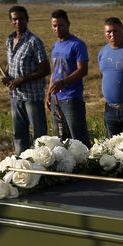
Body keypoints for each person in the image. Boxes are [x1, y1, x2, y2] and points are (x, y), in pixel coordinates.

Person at [2, 5, 50, 154]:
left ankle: (42, 166)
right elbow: (11, 63)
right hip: (16, 96)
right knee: (19, 134)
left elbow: (45, 69)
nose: (18, 22)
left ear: (27, 20)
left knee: (39, 135)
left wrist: (22, 79)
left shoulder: (34, 41)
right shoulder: (9, 40)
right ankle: (22, 165)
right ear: (11, 21)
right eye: (15, 19)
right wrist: (7, 76)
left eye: (21, 19)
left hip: (32, 96)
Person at [45, 9, 90, 145]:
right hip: (56, 99)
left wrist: (63, 83)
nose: (57, 28)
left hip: (71, 98)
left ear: (68, 24)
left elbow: (83, 70)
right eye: (54, 25)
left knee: (78, 138)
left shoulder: (77, 45)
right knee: (61, 138)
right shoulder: (55, 46)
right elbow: (55, 71)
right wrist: (48, 94)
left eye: (60, 25)